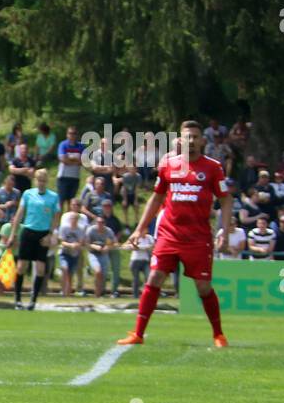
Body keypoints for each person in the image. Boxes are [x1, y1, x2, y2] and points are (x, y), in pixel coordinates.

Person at [118, 121, 235, 346]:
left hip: (198, 238)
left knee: (203, 287)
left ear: (202, 141)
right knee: (154, 277)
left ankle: (218, 334)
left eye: (195, 137)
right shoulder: (169, 165)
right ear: (180, 140)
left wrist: (225, 232)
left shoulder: (212, 167)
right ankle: (138, 333)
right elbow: (156, 198)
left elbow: (225, 199)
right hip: (169, 234)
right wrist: (140, 228)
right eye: (187, 137)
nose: (191, 141)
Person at [85, 215, 118, 297]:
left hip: (104, 254)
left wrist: (108, 247)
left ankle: (100, 293)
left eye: (102, 222)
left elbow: (114, 242)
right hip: (93, 253)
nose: (100, 224)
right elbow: (86, 243)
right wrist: (94, 246)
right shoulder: (91, 230)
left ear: (104, 223)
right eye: (98, 222)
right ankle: (97, 294)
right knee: (98, 271)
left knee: (103, 275)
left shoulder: (108, 231)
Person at [56, 126, 85, 204]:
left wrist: (69, 158)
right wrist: (76, 160)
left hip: (75, 177)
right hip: (63, 177)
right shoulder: (63, 144)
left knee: (71, 202)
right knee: (61, 201)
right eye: (70, 133)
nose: (72, 135)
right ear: (67, 134)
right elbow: (63, 159)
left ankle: (69, 216)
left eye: (74, 133)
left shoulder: (81, 146)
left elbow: (84, 161)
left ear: (76, 135)